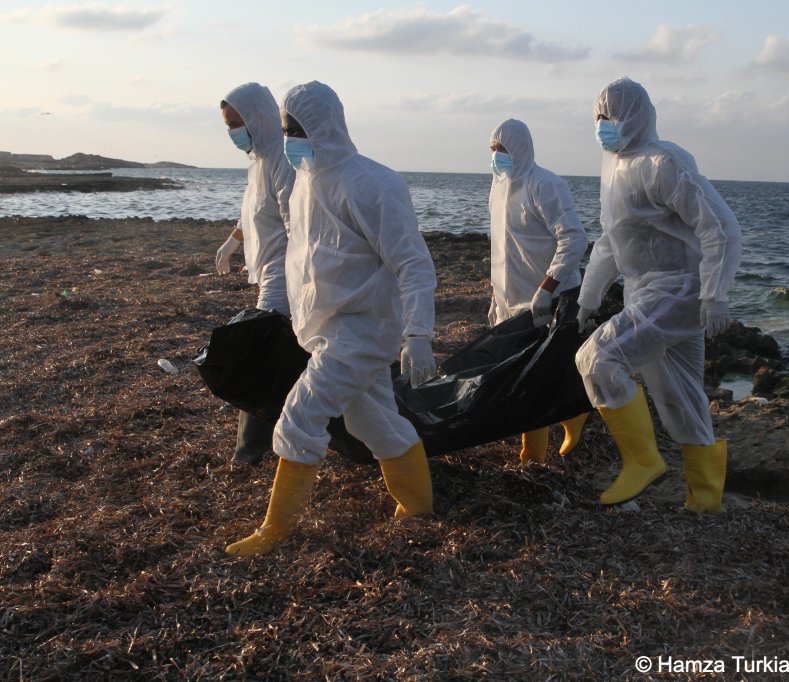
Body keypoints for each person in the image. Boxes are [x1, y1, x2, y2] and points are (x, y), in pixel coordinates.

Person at [225, 81, 439, 557]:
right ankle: (419, 506)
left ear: (326, 124)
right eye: (284, 128)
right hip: (325, 331)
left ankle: (276, 529)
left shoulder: (372, 183)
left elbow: (411, 263)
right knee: (375, 423)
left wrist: (419, 333)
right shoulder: (305, 181)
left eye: (297, 127)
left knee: (301, 415)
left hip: (363, 330)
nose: (290, 137)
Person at [575, 77, 741, 512]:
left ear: (635, 115)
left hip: (679, 290)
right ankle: (704, 501)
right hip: (645, 292)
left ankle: (643, 461)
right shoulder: (614, 167)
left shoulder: (663, 161)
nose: (602, 126)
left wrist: (714, 293)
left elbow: (719, 226)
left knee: (597, 359)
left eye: (608, 117)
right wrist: (588, 299)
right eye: (597, 118)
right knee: (679, 394)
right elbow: (611, 241)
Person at [488, 118, 591, 465]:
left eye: (501, 150)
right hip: (513, 300)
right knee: (526, 377)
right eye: (492, 150)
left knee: (546, 373)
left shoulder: (545, 184)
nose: (496, 157)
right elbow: (502, 249)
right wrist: (495, 299)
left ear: (518, 149)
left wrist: (548, 287)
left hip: (553, 298)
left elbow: (574, 238)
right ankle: (535, 451)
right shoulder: (498, 186)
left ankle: (568, 423)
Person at [216, 83, 295, 465]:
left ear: (257, 117)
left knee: (259, 354)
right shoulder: (259, 158)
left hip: (287, 277)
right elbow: (252, 210)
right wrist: (232, 242)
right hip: (269, 274)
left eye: (236, 122)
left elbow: (298, 223)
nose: (232, 131)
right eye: (228, 124)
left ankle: (248, 453)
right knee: (297, 357)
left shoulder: (283, 161)